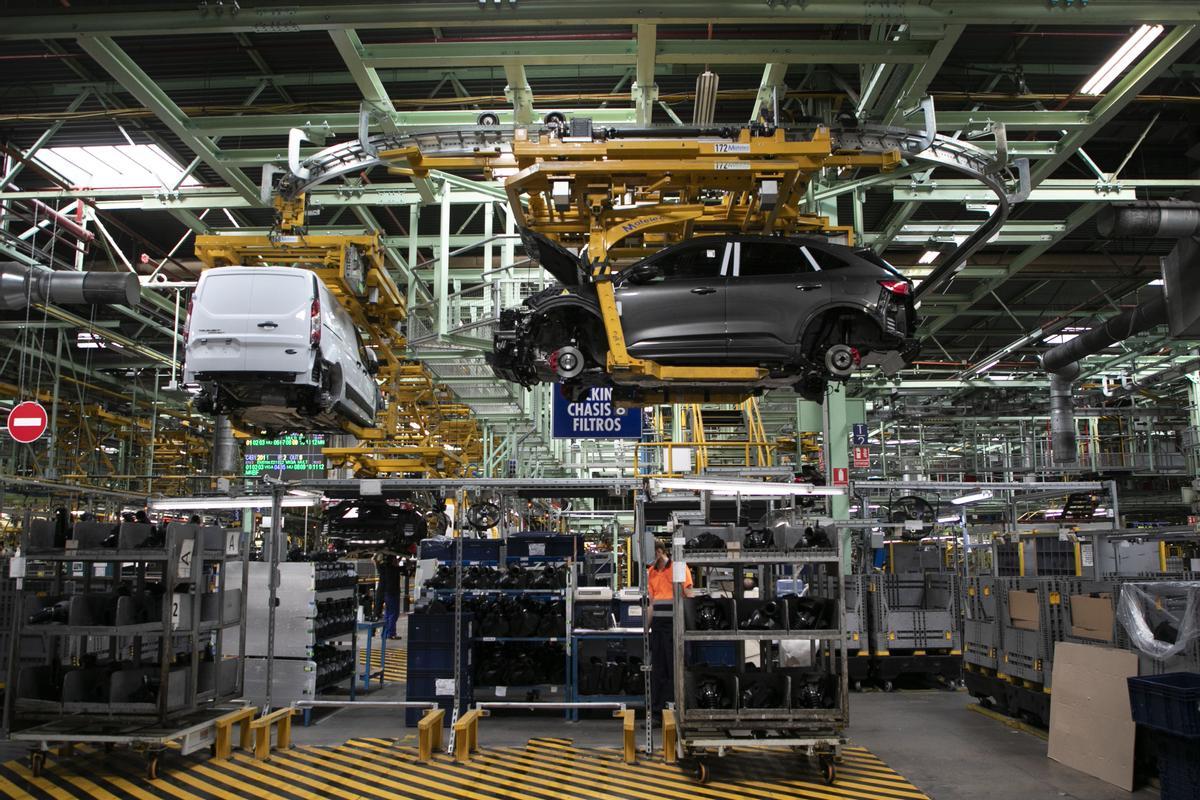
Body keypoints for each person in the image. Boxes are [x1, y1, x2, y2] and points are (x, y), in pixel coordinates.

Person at [647, 540, 693, 713]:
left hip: (676, 627)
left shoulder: (678, 568)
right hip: (658, 628)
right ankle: (658, 713)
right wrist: (645, 629)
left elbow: (688, 595)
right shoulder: (650, 572)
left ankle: (682, 711)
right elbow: (651, 604)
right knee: (658, 671)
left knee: (677, 669)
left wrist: (689, 626)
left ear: (659, 552)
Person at [376, 553, 402, 639]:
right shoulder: (394, 569)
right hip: (393, 594)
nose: (397, 561)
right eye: (395, 559)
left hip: (387, 594)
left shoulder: (385, 568)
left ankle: (385, 634)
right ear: (392, 561)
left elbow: (377, 562)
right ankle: (391, 634)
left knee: (387, 614)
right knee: (393, 614)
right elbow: (403, 567)